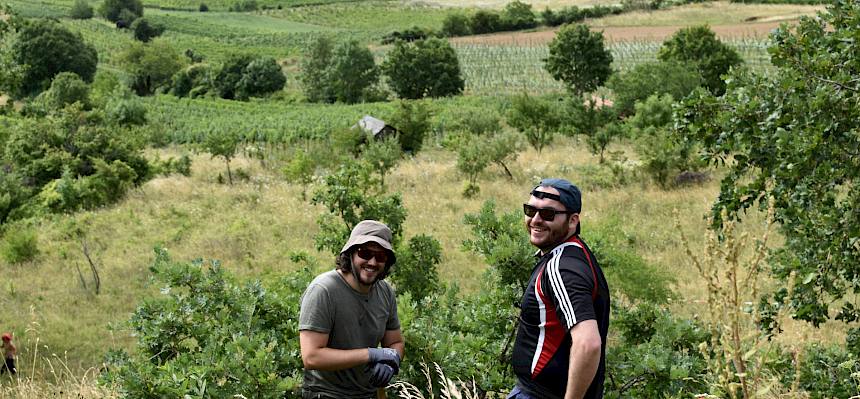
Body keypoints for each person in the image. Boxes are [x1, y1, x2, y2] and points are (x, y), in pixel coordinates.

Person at [509, 178, 610, 399]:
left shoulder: (562, 269)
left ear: (573, 221)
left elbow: (588, 343)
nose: (535, 220)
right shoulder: (574, 255)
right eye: (530, 210)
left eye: (548, 214)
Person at [299, 220, 405, 399]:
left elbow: (395, 343)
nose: (372, 262)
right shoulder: (324, 290)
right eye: (365, 253)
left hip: (369, 394)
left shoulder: (385, 292)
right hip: (326, 394)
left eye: (380, 257)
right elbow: (311, 357)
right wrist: (371, 354)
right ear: (350, 254)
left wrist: (391, 362)